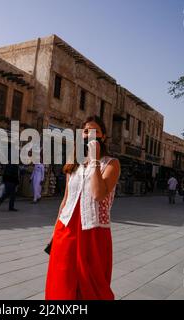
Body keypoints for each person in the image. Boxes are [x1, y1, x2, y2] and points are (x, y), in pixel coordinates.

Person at [45, 115, 121, 300]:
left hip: (93, 232)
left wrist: (94, 161)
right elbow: (65, 201)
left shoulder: (111, 164)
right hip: (67, 229)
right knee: (62, 280)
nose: (89, 135)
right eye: (86, 131)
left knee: (92, 285)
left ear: (103, 137)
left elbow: (98, 194)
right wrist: (54, 233)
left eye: (95, 131)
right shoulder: (74, 165)